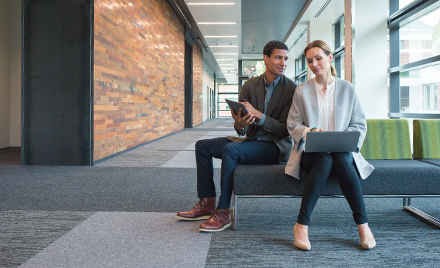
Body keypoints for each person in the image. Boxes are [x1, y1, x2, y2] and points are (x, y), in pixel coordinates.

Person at [177, 40, 296, 232]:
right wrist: (240, 124)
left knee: (230, 150)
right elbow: (240, 127)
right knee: (202, 146)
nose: (283, 63)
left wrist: (260, 115)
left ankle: (224, 211)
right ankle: (206, 203)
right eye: (278, 57)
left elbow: (285, 131)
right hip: (251, 140)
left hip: (275, 146)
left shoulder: (291, 89)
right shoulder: (250, 85)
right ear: (266, 58)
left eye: (286, 59)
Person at [285, 40, 376, 250]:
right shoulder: (302, 90)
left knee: (342, 158)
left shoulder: (347, 89)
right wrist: (309, 132)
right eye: (310, 61)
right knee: (325, 159)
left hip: (342, 152)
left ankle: (363, 225)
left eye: (318, 58)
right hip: (312, 153)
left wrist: (345, 139)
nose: (315, 64)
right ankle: (302, 225)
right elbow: (292, 124)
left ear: (329, 57)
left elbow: (359, 124)